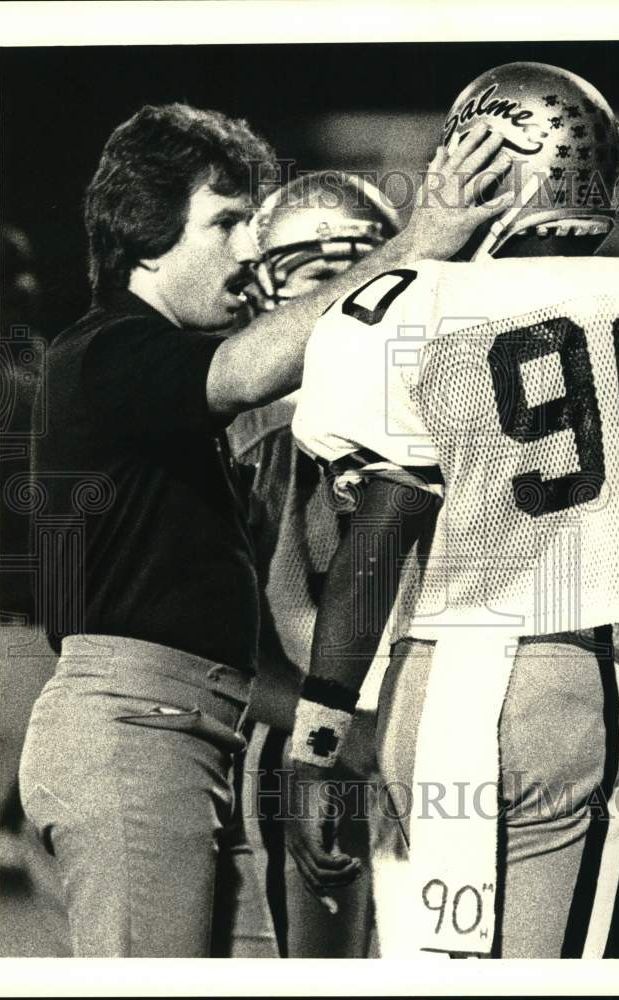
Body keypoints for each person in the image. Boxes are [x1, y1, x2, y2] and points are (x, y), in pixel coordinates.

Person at [16, 101, 514, 957]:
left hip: (188, 728)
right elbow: (248, 371)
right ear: (145, 229)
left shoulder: (135, 377)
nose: (249, 248)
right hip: (140, 731)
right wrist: (415, 243)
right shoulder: (109, 351)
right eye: (227, 221)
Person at [285, 63, 619, 958]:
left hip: (424, 690)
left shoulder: (404, 306)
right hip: (570, 678)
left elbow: (378, 530)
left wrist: (320, 738)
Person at [229, 170, 402, 957]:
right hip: (317, 740)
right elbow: (274, 639)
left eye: (360, 276)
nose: (342, 305)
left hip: (402, 735)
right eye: (320, 280)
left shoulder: (421, 410)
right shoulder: (273, 437)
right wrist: (339, 740)